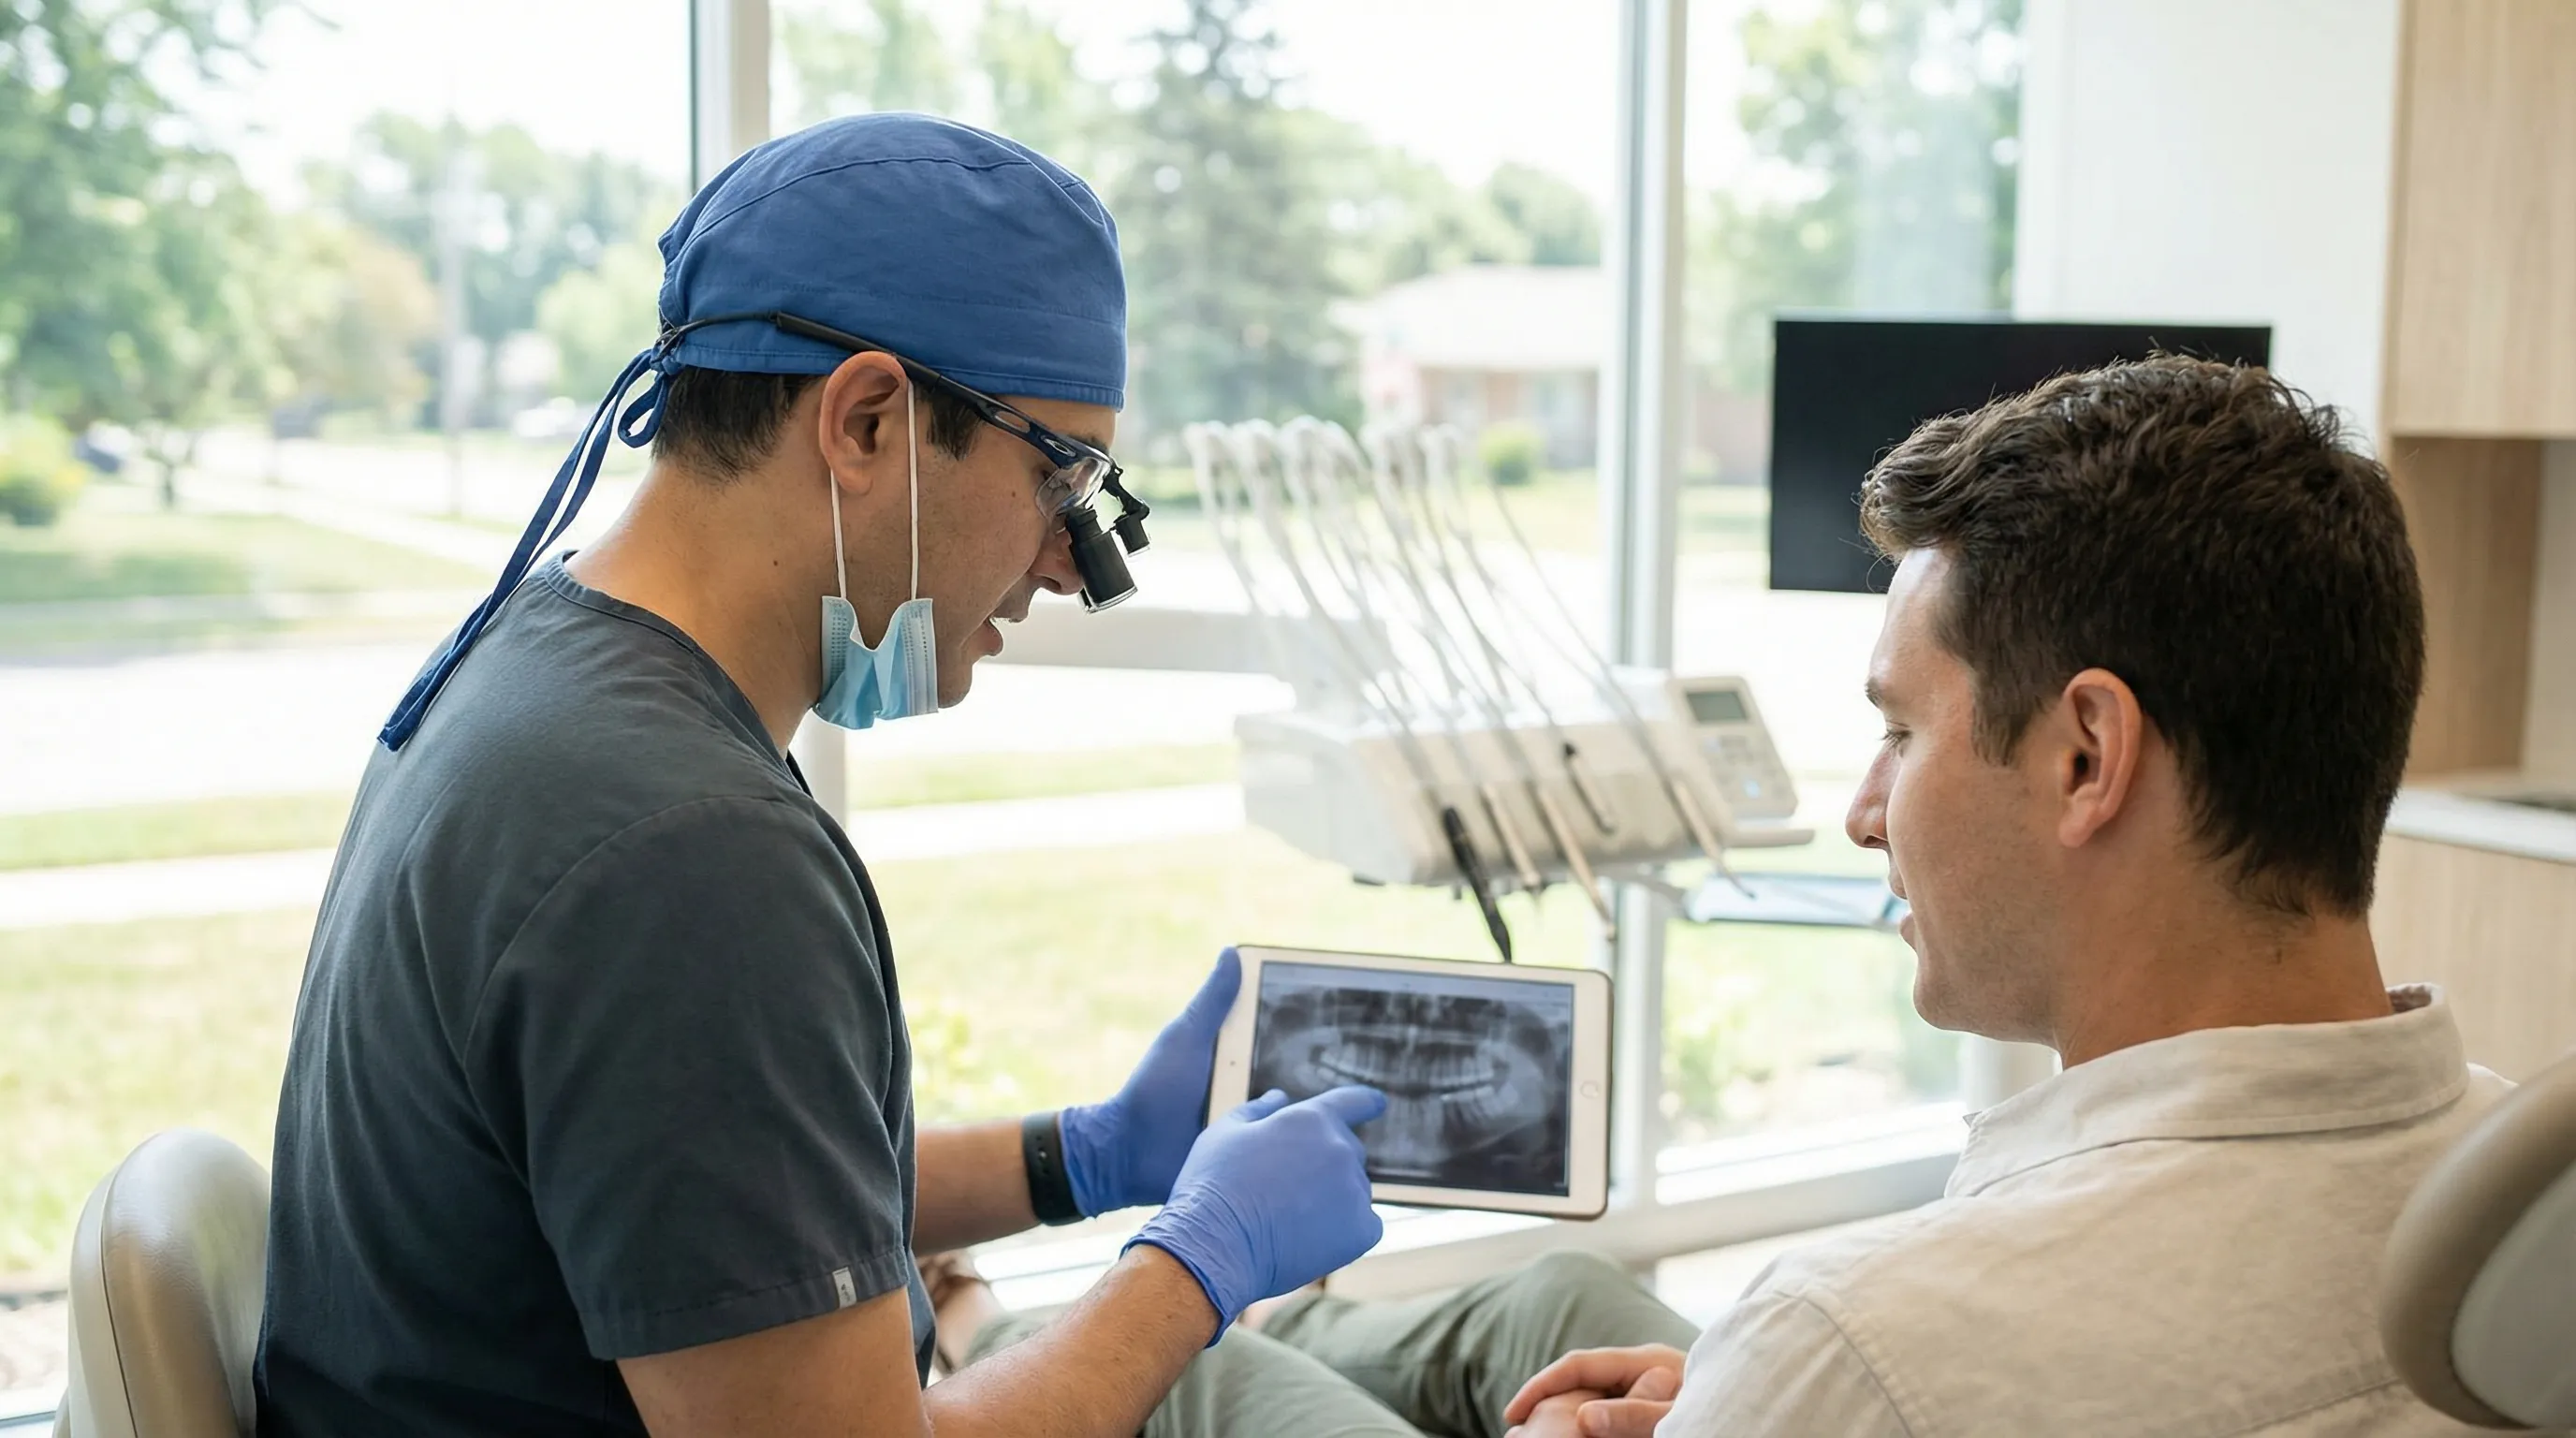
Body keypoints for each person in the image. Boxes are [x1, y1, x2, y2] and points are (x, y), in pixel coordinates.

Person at [255, 113, 1413, 1437]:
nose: (1067, 563)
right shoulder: (683, 849)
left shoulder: (536, 667)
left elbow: (705, 1221)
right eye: (1062, 481)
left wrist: (1081, 1157)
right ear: (866, 420)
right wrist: (1198, 1266)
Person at [1496, 356, 2521, 1436]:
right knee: (1548, 1298)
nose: (1865, 812)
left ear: (2086, 758)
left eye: (1901, 733)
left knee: (1448, 1327)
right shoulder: (2529, 1193)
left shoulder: (1852, 1343)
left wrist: (1789, 1394)